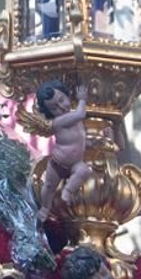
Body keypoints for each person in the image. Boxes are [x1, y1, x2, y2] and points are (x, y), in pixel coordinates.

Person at [34, 82, 92, 213]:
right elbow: (80, 114)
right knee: (49, 186)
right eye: (54, 108)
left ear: (67, 94)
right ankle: (45, 208)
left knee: (84, 171)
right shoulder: (59, 121)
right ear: (49, 112)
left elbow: (78, 139)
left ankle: (68, 191)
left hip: (75, 163)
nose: (61, 107)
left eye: (61, 100)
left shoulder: (73, 119)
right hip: (58, 163)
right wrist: (82, 99)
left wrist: (90, 144)